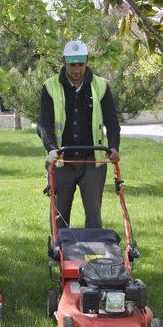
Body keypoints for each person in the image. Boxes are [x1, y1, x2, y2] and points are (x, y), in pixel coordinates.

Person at [37, 40, 121, 229]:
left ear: (87, 62)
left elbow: (112, 121)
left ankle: (94, 255)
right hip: (62, 160)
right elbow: (44, 123)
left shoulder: (101, 86)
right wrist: (51, 148)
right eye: (72, 64)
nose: (76, 69)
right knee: (60, 214)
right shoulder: (50, 87)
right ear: (63, 61)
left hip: (92, 160)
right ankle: (57, 253)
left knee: (93, 215)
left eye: (80, 64)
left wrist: (114, 146)